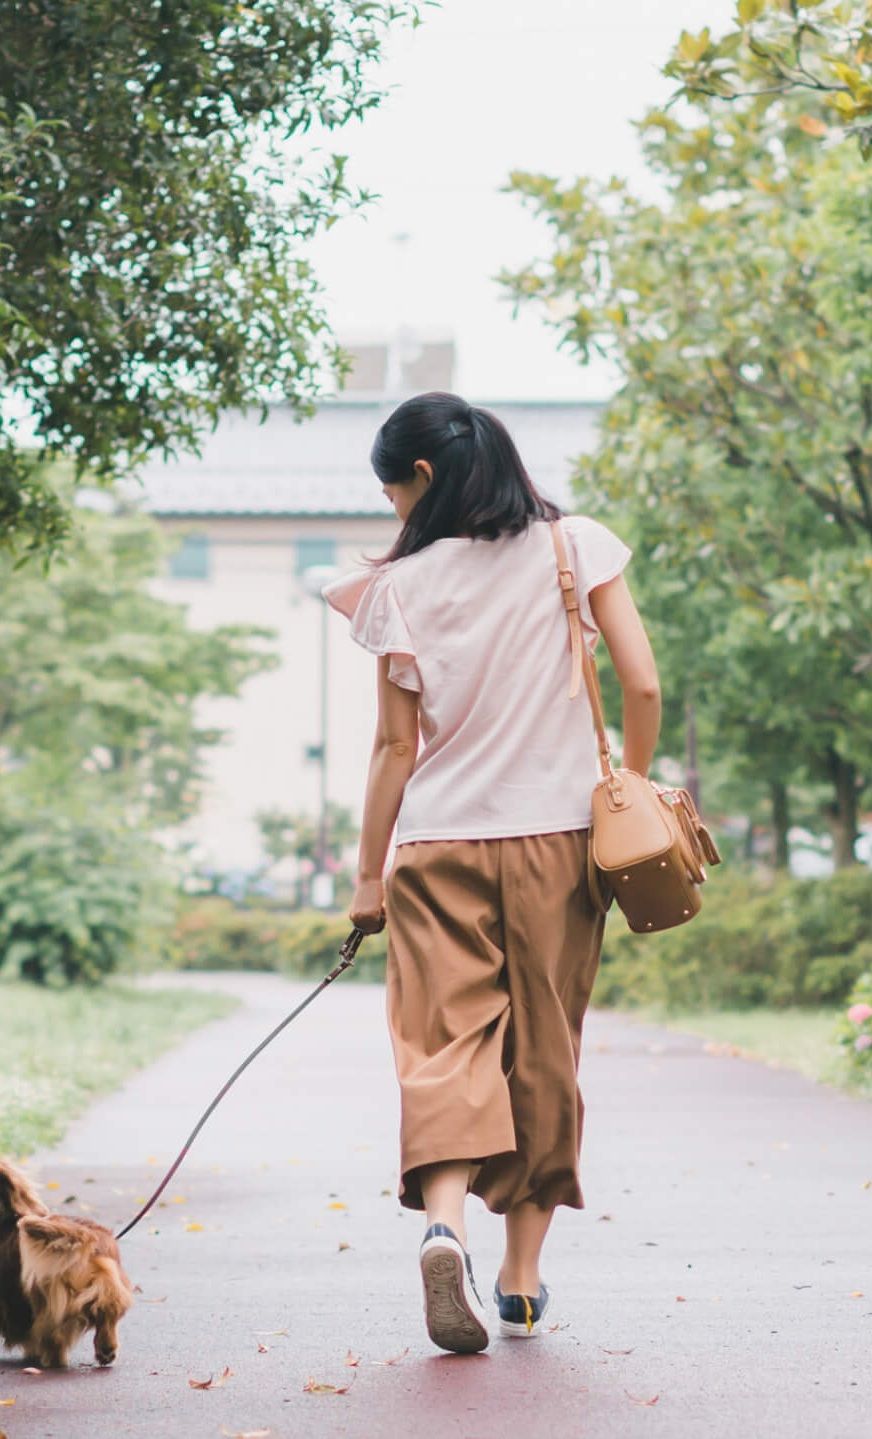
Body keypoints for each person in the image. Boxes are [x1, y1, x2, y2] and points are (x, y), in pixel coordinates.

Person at [323, 392, 661, 1354]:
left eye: (390, 492)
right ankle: (518, 1282)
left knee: (443, 1042)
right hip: (558, 839)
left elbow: (393, 749)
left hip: (434, 846)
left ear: (422, 478)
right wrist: (626, 782)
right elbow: (641, 681)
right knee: (544, 1046)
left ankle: (444, 1229)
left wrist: (366, 879)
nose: (394, 512)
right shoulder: (576, 545)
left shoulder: (398, 587)